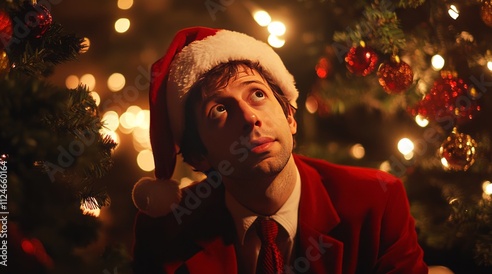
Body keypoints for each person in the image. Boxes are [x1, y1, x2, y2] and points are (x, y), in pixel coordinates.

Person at [131, 26, 429, 274]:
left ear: (289, 116)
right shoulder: (166, 232)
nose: (249, 117)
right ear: (199, 156)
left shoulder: (377, 201)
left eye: (257, 94)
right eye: (220, 110)